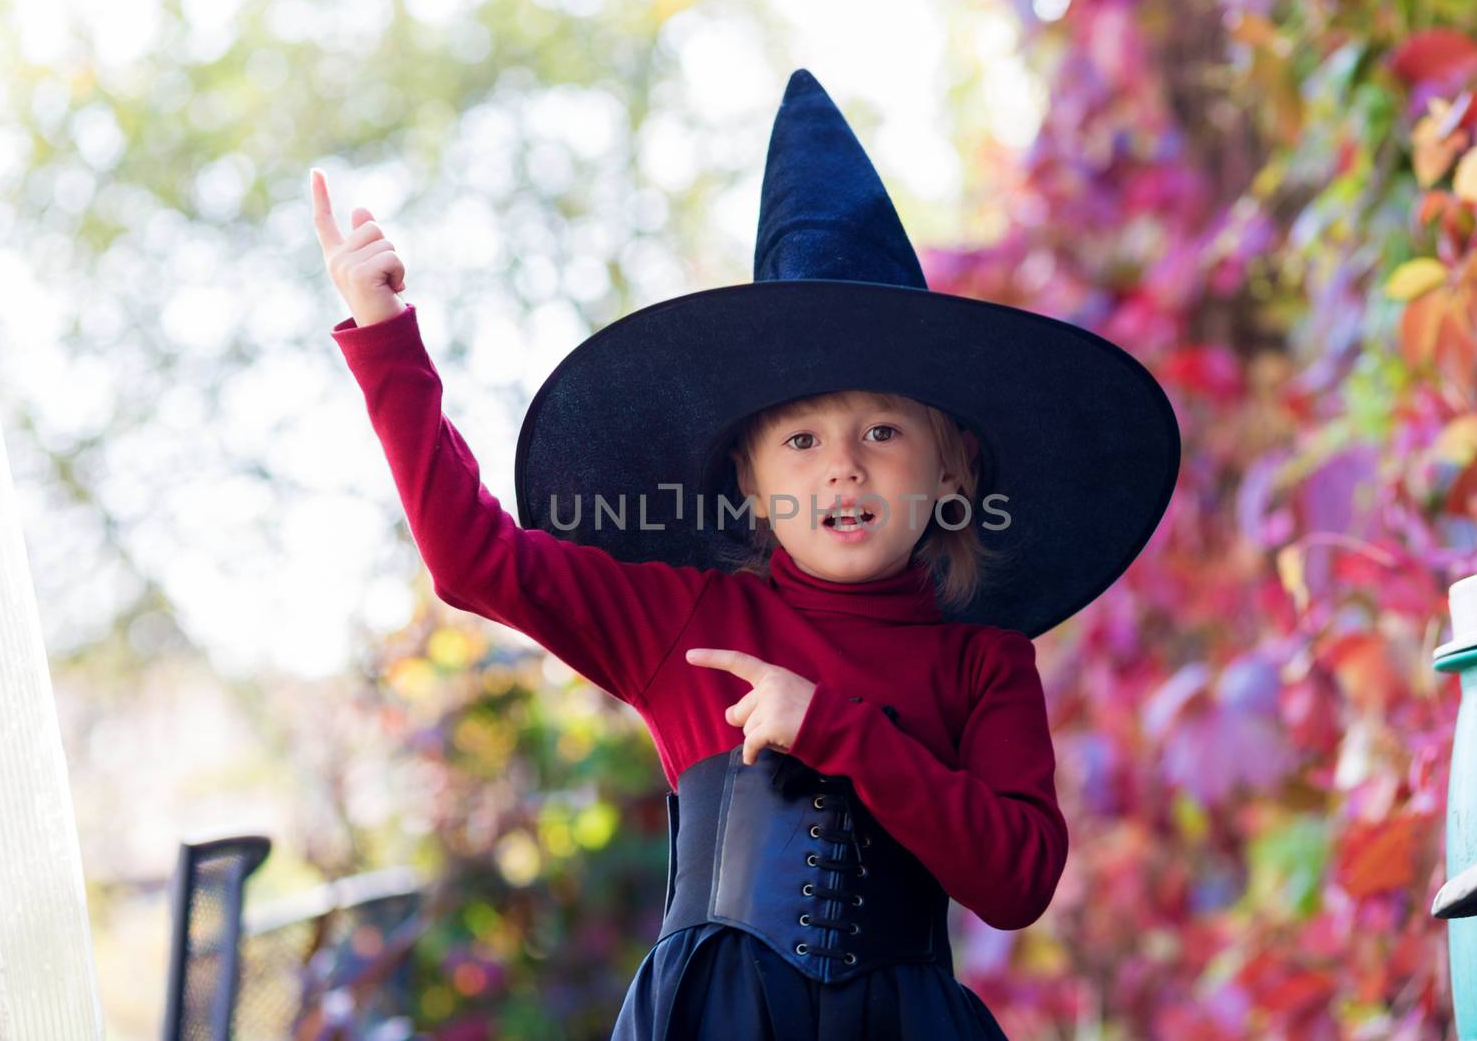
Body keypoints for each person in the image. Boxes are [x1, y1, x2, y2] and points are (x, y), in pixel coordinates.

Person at [312, 68, 1180, 1039]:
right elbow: (474, 560)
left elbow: (1017, 879)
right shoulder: (687, 623)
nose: (842, 468)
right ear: (750, 483)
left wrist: (836, 729)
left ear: (952, 469)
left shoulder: (981, 660)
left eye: (883, 432)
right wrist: (385, 337)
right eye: (802, 441)